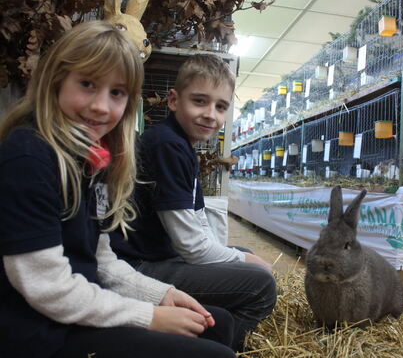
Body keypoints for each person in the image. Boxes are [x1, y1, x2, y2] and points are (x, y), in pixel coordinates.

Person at [0, 21, 237, 358]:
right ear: (55, 82)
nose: (100, 106)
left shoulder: (90, 160)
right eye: (86, 84)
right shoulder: (30, 157)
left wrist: (160, 294)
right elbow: (47, 288)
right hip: (37, 332)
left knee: (219, 325)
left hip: (77, 306)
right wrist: (149, 316)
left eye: (117, 93)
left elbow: (101, 259)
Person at [110, 54, 277, 351]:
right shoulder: (168, 145)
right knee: (261, 285)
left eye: (220, 106)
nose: (211, 114)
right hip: (139, 266)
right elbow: (191, 246)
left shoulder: (181, 145)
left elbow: (198, 225)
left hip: (159, 256)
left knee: (246, 255)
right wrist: (245, 262)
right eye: (199, 101)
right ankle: (218, 346)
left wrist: (241, 257)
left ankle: (213, 330)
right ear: (174, 100)